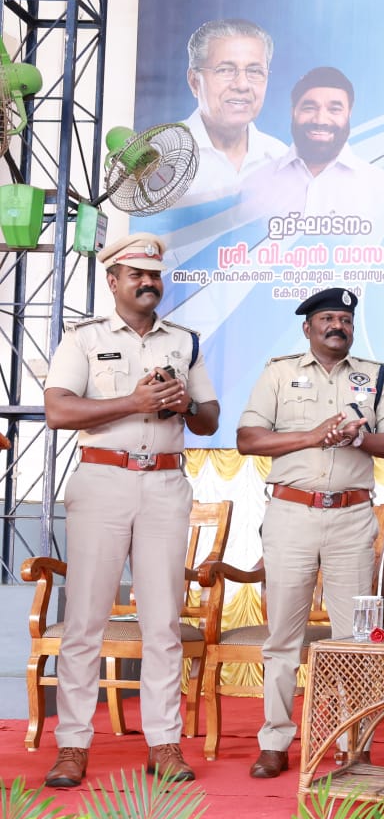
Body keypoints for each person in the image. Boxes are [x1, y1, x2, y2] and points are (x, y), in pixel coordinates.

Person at [41, 232, 221, 787]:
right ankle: (72, 745)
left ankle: (164, 743)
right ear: (113, 280)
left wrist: (184, 403)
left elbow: (210, 419)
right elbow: (57, 411)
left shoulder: (184, 342)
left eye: (154, 275)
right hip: (102, 480)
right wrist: (134, 402)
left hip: (165, 484)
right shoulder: (84, 338)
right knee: (85, 620)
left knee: (162, 621)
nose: (148, 282)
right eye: (136, 274)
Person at [235, 287, 384, 779]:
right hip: (291, 514)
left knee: (353, 640)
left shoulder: (375, 376)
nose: (338, 326)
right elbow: (247, 439)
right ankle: (275, 741)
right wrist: (312, 437)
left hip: (351, 518)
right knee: (283, 639)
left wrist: (360, 437)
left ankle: (352, 743)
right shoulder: (278, 373)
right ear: (307, 327)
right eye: (328, 319)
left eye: (345, 320)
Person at [242, 66, 384, 222]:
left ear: (349, 114)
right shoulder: (253, 185)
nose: (320, 120)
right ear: (293, 112)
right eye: (309, 108)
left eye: (334, 109)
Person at [180, 18, 287, 206]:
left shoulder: (281, 160)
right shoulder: (159, 157)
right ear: (194, 82)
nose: (242, 85)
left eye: (255, 71)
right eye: (225, 70)